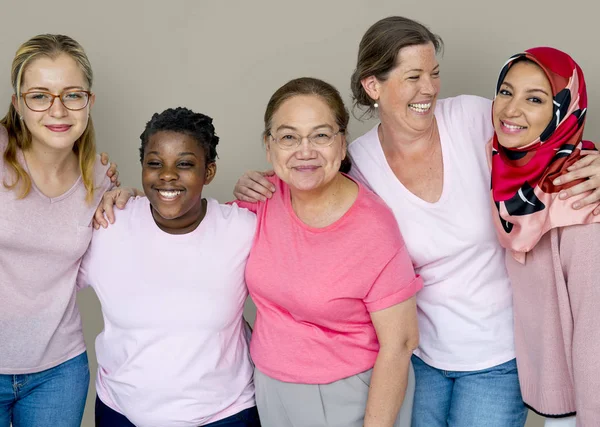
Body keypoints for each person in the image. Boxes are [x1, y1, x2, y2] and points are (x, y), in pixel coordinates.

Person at [232, 17, 600, 427]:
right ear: (374, 86)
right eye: (413, 76)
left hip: (500, 355)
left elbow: (550, 138)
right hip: (418, 357)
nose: (429, 88)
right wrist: (254, 184)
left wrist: (599, 163)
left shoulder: (475, 119)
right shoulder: (358, 163)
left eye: (434, 73)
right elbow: (307, 176)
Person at [98, 77, 422, 427]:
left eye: (321, 135)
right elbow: (189, 222)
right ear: (269, 148)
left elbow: (400, 343)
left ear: (342, 143)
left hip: (349, 395)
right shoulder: (261, 203)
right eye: (288, 137)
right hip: (270, 393)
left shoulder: (373, 226)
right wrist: (125, 198)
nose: (305, 150)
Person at [76, 107, 261, 427]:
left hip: (224, 415)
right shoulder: (109, 224)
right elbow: (45, 279)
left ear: (210, 171)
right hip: (121, 412)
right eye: (154, 163)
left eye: (185, 164)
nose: (167, 175)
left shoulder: (242, 230)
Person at [0, 34, 118, 427]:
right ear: (18, 103)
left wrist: (124, 196)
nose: (58, 110)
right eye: (39, 95)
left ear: (89, 102)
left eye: (71, 94)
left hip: (59, 371)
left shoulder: (101, 179)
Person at [489, 47, 600, 427]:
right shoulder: (505, 170)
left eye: (535, 99)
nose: (511, 110)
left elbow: (595, 337)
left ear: (564, 112)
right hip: (546, 394)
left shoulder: (581, 200)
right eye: (506, 91)